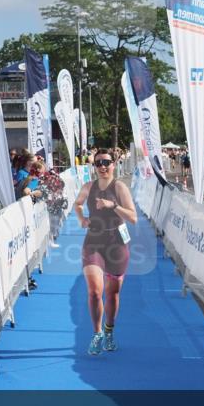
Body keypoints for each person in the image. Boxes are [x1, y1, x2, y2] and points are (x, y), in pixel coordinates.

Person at [74, 148, 137, 356]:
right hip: (93, 242)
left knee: (113, 293)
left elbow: (133, 217)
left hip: (117, 243)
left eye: (106, 162)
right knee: (94, 291)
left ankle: (109, 330)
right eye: (98, 163)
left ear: (114, 164)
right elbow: (77, 204)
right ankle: (97, 333)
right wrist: (81, 218)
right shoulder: (88, 186)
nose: (102, 166)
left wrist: (113, 205)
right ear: (94, 167)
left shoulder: (119, 187)